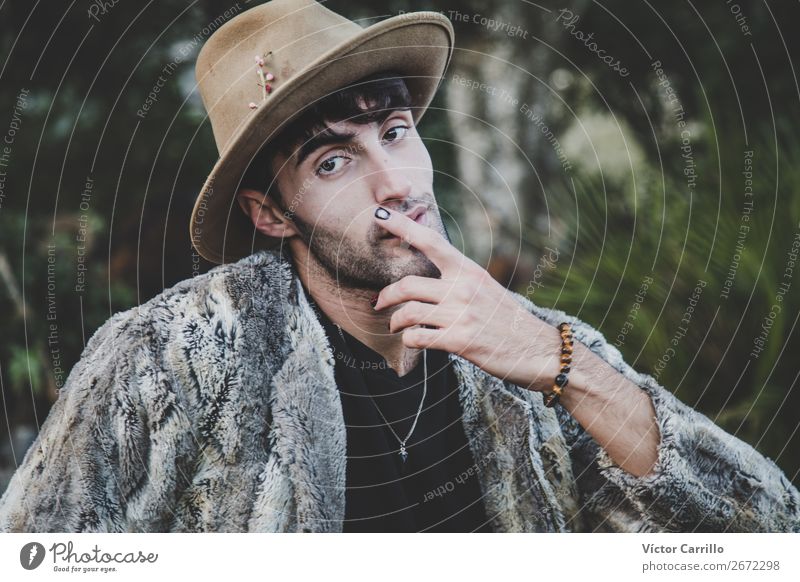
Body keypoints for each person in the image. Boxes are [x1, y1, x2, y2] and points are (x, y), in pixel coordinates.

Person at [1, 0, 797, 533]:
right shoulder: (167, 359)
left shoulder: (534, 348)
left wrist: (562, 367)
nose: (398, 186)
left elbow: (763, 530)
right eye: (332, 163)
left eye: (394, 131)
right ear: (270, 213)